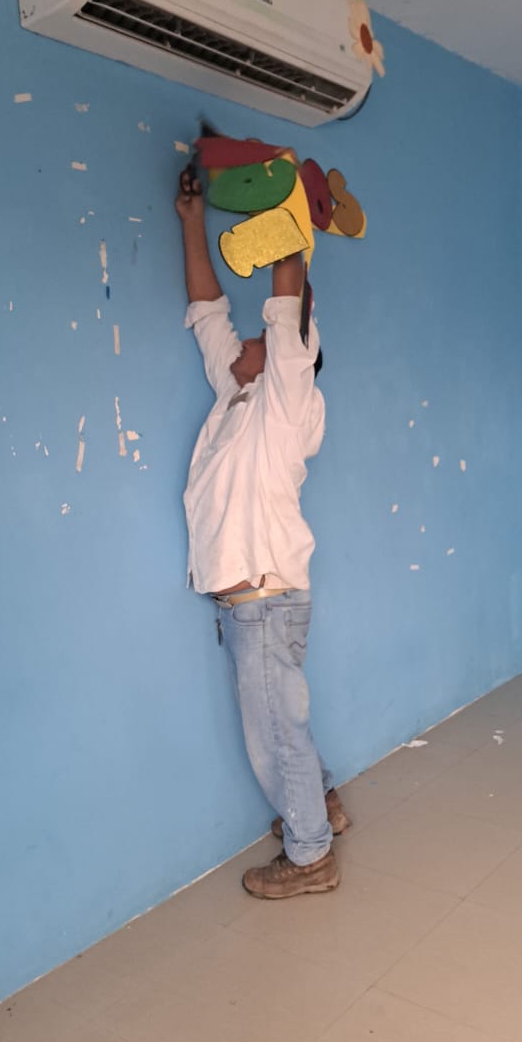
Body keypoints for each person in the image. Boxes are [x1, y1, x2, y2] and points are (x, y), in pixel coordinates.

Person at [176, 168, 351, 899]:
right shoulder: (239, 397)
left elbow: (283, 310)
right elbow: (208, 314)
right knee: (284, 721)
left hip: (265, 601)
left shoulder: (284, 400)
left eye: (264, 339)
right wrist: (190, 218)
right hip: (255, 604)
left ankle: (310, 856)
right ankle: (322, 805)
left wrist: (291, 215)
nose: (245, 340)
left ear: (289, 362)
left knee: (274, 732)